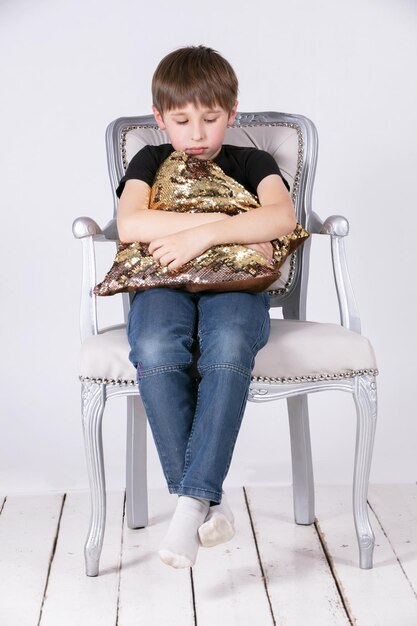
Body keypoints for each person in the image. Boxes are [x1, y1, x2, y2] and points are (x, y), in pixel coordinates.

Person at [116, 45, 296, 569]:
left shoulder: (251, 161)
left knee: (230, 345)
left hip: (235, 287)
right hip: (161, 284)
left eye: (211, 119)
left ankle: (189, 505)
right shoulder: (149, 160)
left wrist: (197, 239)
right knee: (153, 344)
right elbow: (131, 225)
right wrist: (234, 228)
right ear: (159, 119)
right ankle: (205, 502)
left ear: (231, 113)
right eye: (182, 120)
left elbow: (281, 218)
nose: (197, 134)